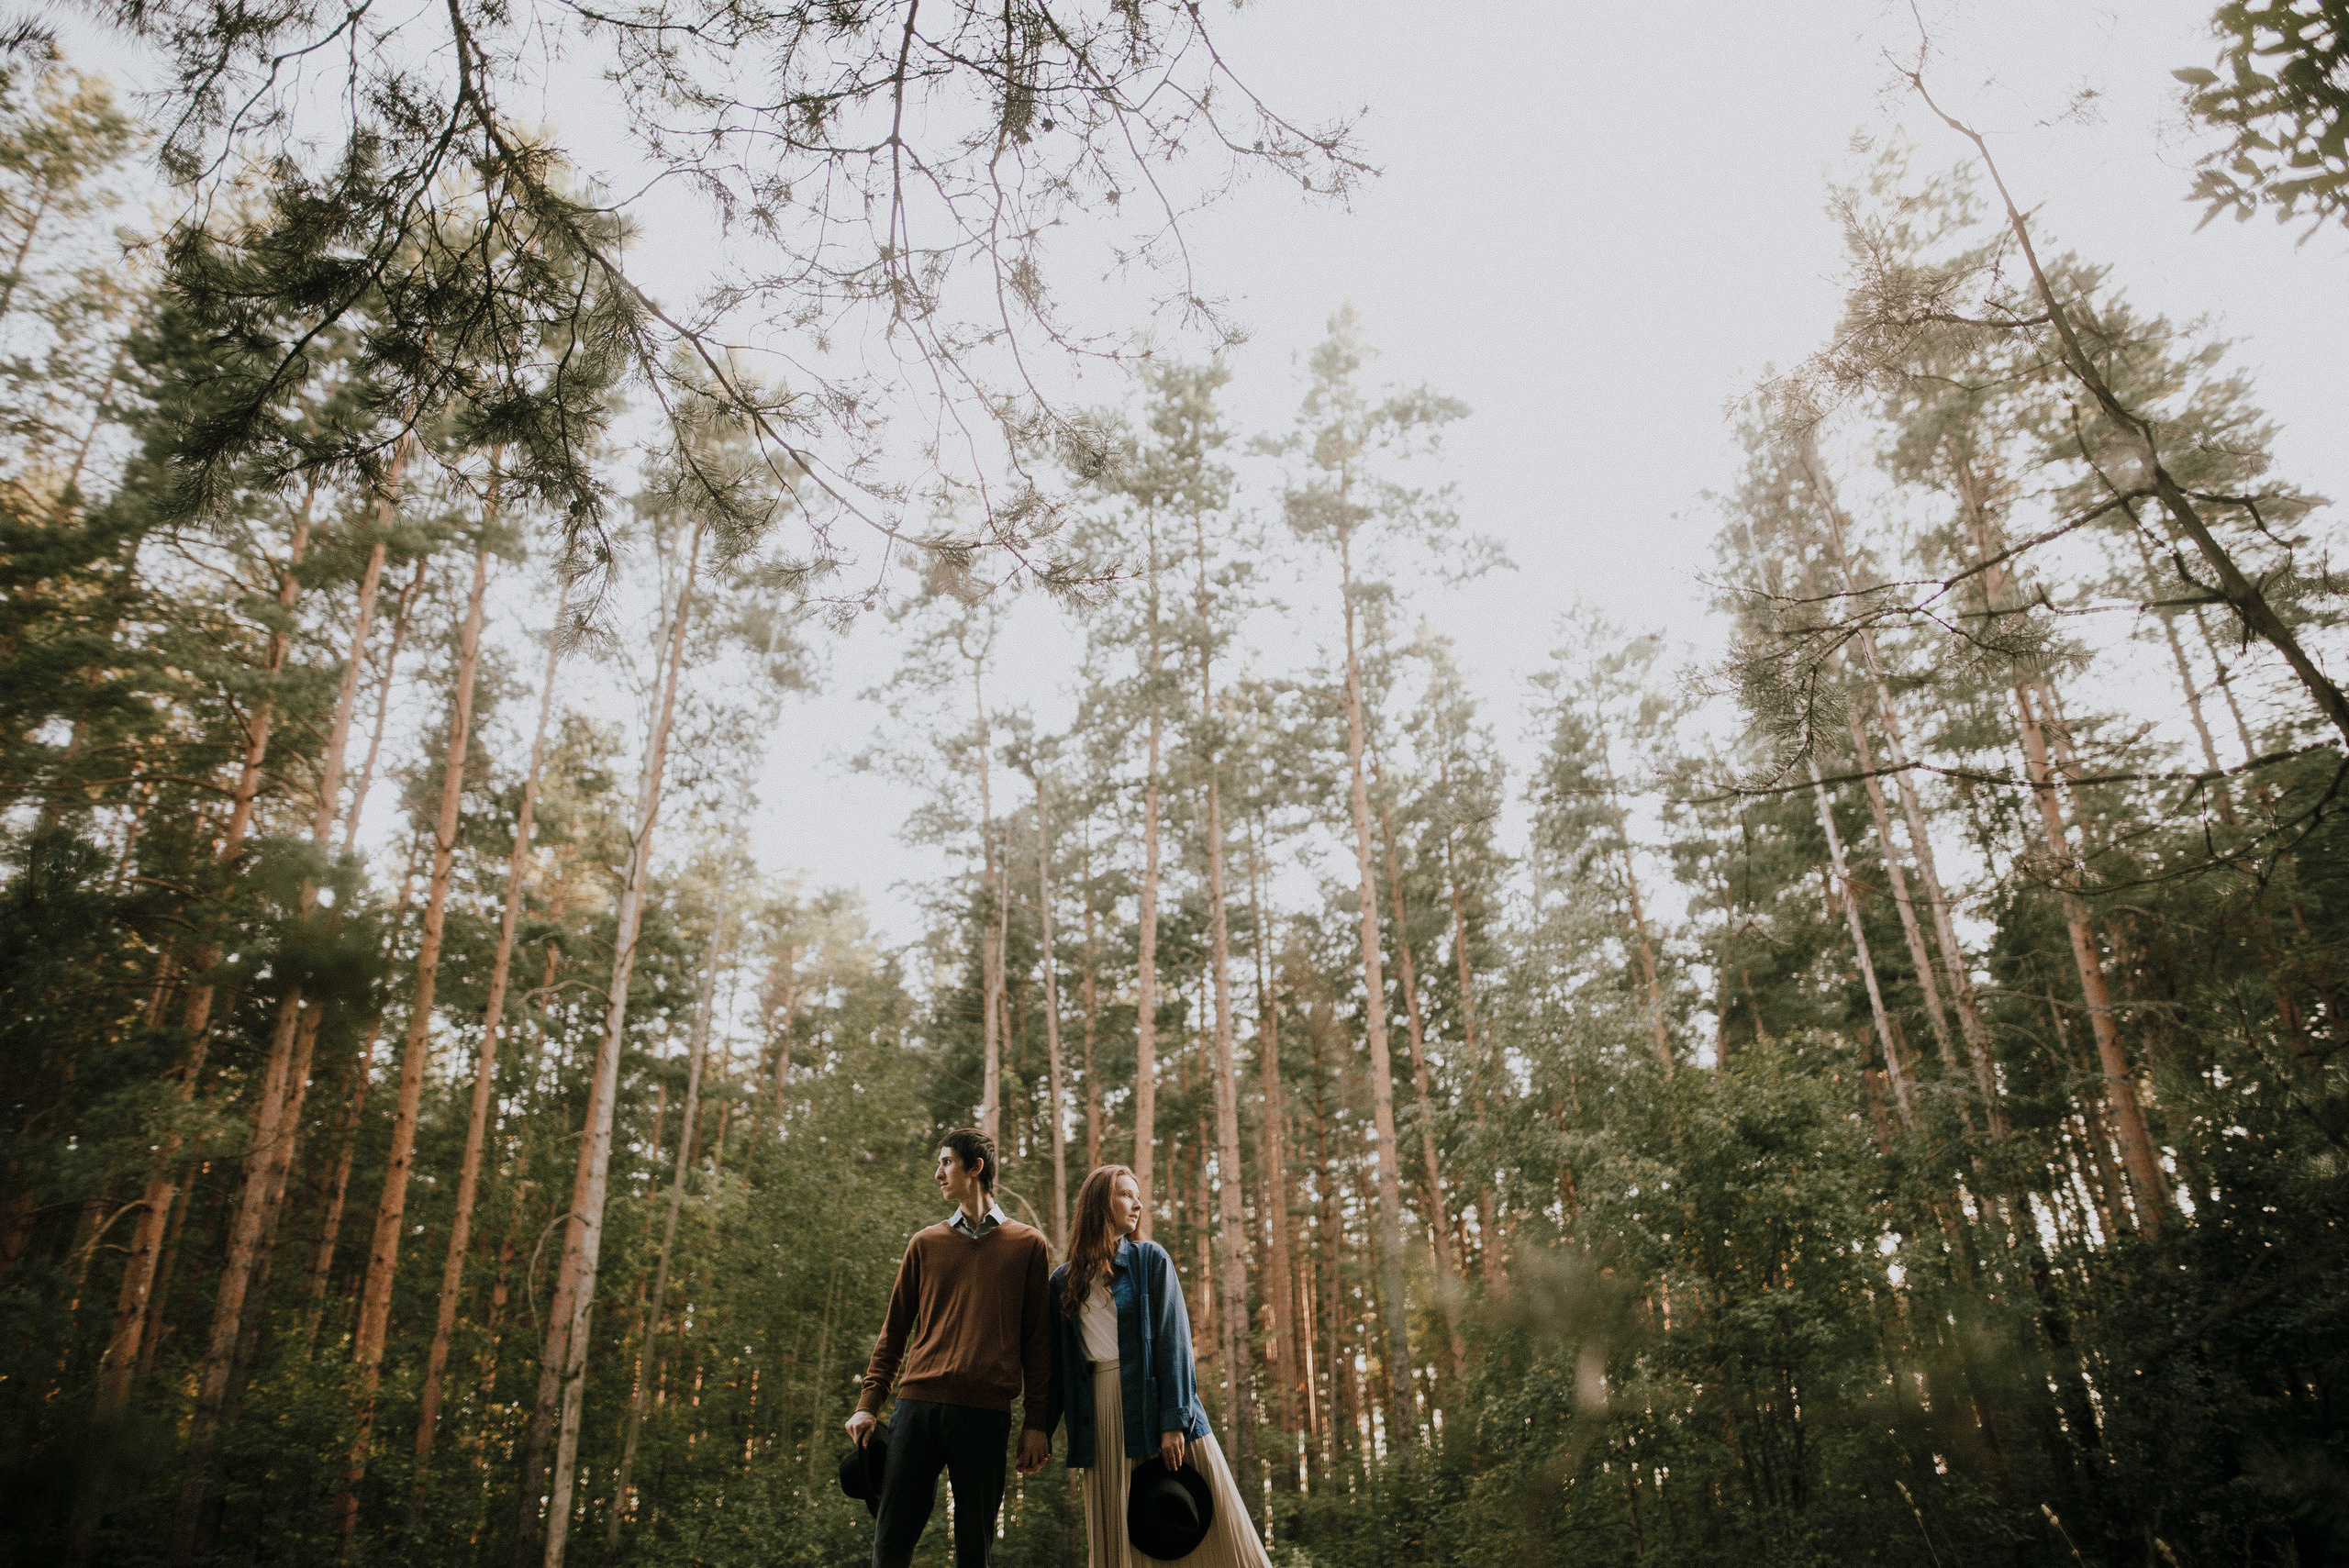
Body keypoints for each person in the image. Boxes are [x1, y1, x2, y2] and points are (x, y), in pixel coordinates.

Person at [1045, 1164, 1273, 1567]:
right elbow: (1057, 1368)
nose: (1139, 1203)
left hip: (1157, 1409)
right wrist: (1039, 1431)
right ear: (1101, 1203)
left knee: (1215, 1529)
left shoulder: (1150, 1260)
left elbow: (1174, 1342)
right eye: (1127, 1194)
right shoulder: (1063, 1281)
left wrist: (1173, 1420)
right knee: (1126, 1533)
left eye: (1138, 1194)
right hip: (1100, 1414)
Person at [846, 1129, 1052, 1568]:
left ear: (974, 1168)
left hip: (984, 1414)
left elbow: (1038, 1343)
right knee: (890, 1544)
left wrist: (1036, 1422)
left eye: (946, 1163)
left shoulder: (1028, 1246)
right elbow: (894, 1331)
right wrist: (868, 1405)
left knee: (975, 1550)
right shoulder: (925, 1243)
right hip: (916, 1407)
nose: (938, 1173)